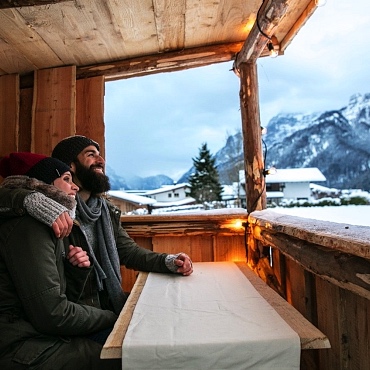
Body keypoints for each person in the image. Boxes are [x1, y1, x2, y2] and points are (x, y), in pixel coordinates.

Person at [0, 152, 121, 370]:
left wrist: (75, 272)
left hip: (42, 336)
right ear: (43, 185)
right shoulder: (30, 228)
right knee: (127, 357)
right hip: (22, 347)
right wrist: (114, 316)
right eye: (66, 179)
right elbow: (52, 315)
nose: (74, 187)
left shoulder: (54, 227)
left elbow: (58, 300)